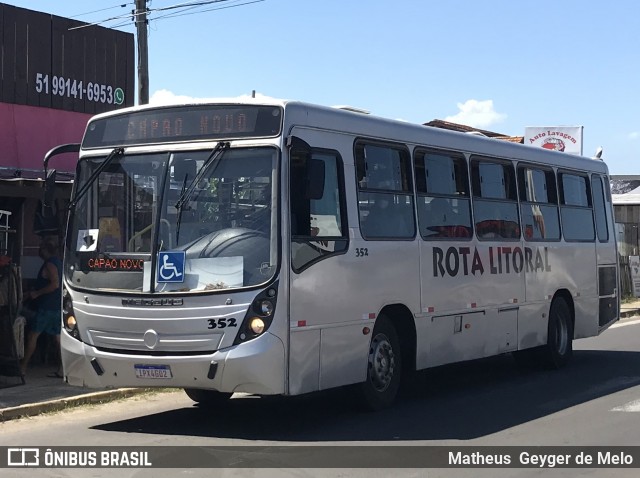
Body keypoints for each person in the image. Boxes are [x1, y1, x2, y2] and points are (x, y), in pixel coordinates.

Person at [20, 239, 63, 378]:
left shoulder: (50, 264)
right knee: (58, 339)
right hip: (56, 306)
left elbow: (55, 284)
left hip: (46, 307)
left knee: (33, 336)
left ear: (45, 250)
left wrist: (36, 293)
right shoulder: (59, 262)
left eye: (40, 248)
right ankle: (63, 368)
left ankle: (23, 367)